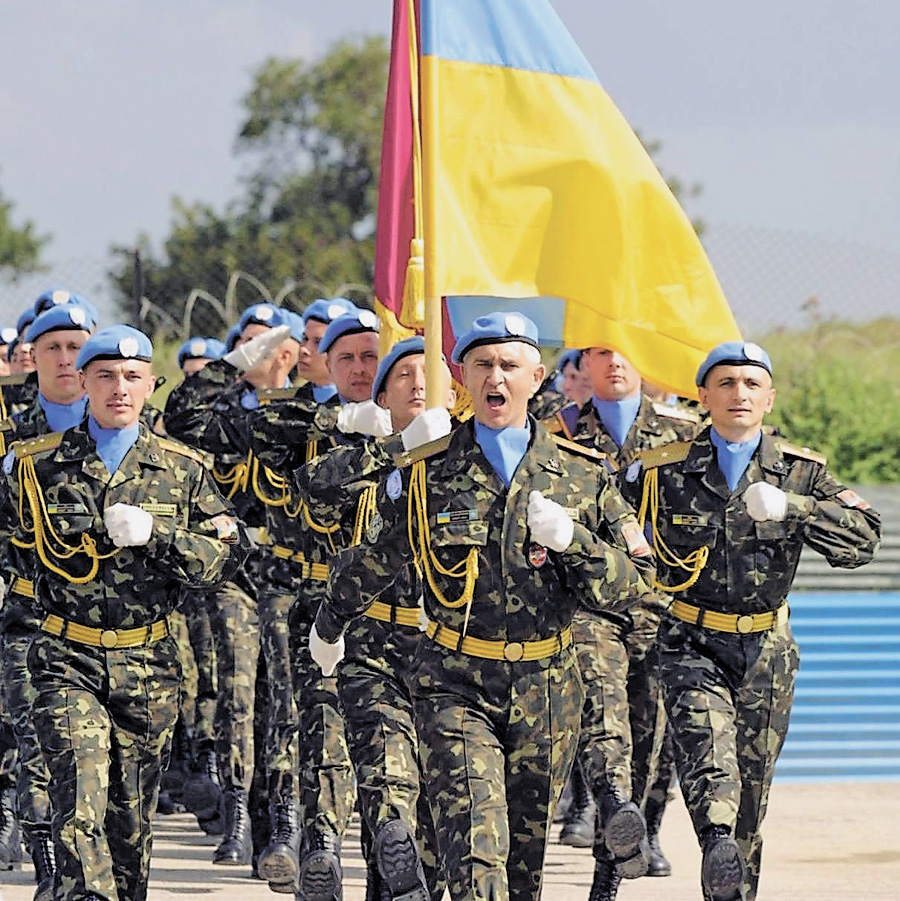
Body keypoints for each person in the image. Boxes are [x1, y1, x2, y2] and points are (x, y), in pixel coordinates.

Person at [318, 312, 655, 901]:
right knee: (476, 855)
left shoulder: (583, 476)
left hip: (548, 689)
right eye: (482, 365)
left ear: (537, 377)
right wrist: (331, 623)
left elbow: (637, 588)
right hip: (456, 684)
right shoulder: (429, 470)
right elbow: (380, 556)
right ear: (461, 377)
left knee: (524, 872)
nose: (495, 377)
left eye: (508, 366)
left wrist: (575, 544)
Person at [0, 324, 247, 901]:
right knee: (79, 808)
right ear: (82, 382)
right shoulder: (33, 467)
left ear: (150, 386)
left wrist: (158, 535)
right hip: (66, 657)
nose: (119, 388)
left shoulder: (184, 469)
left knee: (129, 829)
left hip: (149, 662)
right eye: (105, 376)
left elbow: (226, 558)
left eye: (132, 377)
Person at [636, 340, 880, 901]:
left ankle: (732, 883)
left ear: (768, 398)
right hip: (691, 640)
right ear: (703, 396)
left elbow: (864, 541)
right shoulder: (662, 471)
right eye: (725, 383)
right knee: (708, 760)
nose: (738, 394)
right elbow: (612, 518)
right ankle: (715, 839)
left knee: (750, 796)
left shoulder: (800, 472)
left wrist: (796, 510)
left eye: (751, 384)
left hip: (767, 649)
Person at [302, 336, 455, 901]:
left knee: (440, 811)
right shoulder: (364, 461)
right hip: (370, 644)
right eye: (404, 375)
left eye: (431, 372)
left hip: (448, 649)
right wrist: (397, 449)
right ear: (383, 398)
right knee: (384, 780)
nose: (419, 383)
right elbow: (315, 487)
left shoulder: (469, 464)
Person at [248, 306, 382, 898]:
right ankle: (314, 840)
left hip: (398, 612)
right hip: (313, 593)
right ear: (322, 362)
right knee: (314, 717)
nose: (358, 367)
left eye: (370, 355)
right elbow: (228, 428)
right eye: (344, 357)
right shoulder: (299, 419)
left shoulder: (431, 429)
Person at [560, 346, 701, 900]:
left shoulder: (685, 434)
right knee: (604, 719)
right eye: (599, 352)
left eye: (625, 352)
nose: (615, 362)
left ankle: (636, 842)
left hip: (662, 609)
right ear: (582, 366)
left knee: (654, 736)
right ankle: (609, 834)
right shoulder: (556, 431)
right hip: (592, 610)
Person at [164, 304, 293, 867]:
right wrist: (231, 366)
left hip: (289, 574)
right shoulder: (224, 415)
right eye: (248, 345)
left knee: (283, 697)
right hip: (236, 574)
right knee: (238, 690)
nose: (260, 355)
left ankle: (283, 811)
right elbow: (180, 412)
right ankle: (236, 809)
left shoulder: (303, 413)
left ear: (290, 354)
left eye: (270, 346)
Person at [0, 302, 98, 900]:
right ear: (31, 356)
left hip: (101, 620)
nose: (65, 360)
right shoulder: (10, 428)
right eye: (53, 347)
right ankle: (49, 866)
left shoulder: (116, 423)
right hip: (27, 612)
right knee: (37, 737)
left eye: (75, 347)